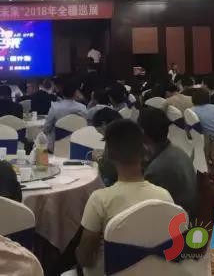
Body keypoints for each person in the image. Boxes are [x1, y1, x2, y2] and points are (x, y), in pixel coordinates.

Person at [76, 120, 173, 272]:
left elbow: (85, 258)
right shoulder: (164, 197)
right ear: (144, 152)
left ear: (108, 154)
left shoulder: (99, 200)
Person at [138, 108, 197, 219]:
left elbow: (149, 211)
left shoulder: (157, 170)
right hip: (189, 213)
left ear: (142, 133)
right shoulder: (178, 151)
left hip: (176, 223)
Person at [43, 82, 87, 149]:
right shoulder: (83, 108)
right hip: (78, 145)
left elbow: (46, 129)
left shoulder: (55, 107)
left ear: (62, 93)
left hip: (57, 147)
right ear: (75, 93)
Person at [91, 107, 123, 185]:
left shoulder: (113, 139)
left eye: (99, 131)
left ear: (104, 124)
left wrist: (98, 158)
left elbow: (109, 173)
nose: (101, 134)